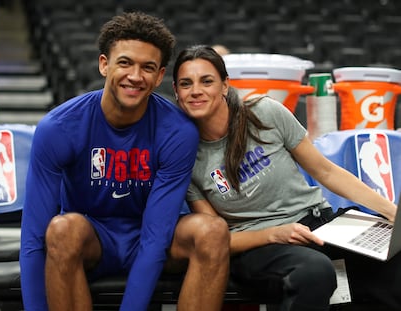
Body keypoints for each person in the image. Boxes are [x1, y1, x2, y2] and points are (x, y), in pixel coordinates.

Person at [20, 14, 230, 311]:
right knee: (61, 230)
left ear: (159, 77)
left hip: (156, 236)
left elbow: (155, 237)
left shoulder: (178, 131)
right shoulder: (59, 127)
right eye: (125, 63)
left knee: (212, 232)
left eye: (147, 67)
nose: (135, 76)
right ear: (104, 64)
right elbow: (33, 240)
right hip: (92, 238)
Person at [172, 45, 401, 310]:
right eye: (186, 84)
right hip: (257, 247)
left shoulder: (264, 112)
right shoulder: (185, 156)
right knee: (314, 271)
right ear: (176, 92)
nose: (196, 91)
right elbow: (218, 238)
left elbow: (325, 171)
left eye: (206, 81)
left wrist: (391, 213)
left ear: (225, 85)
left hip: (318, 224)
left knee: (394, 258)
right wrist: (274, 234)